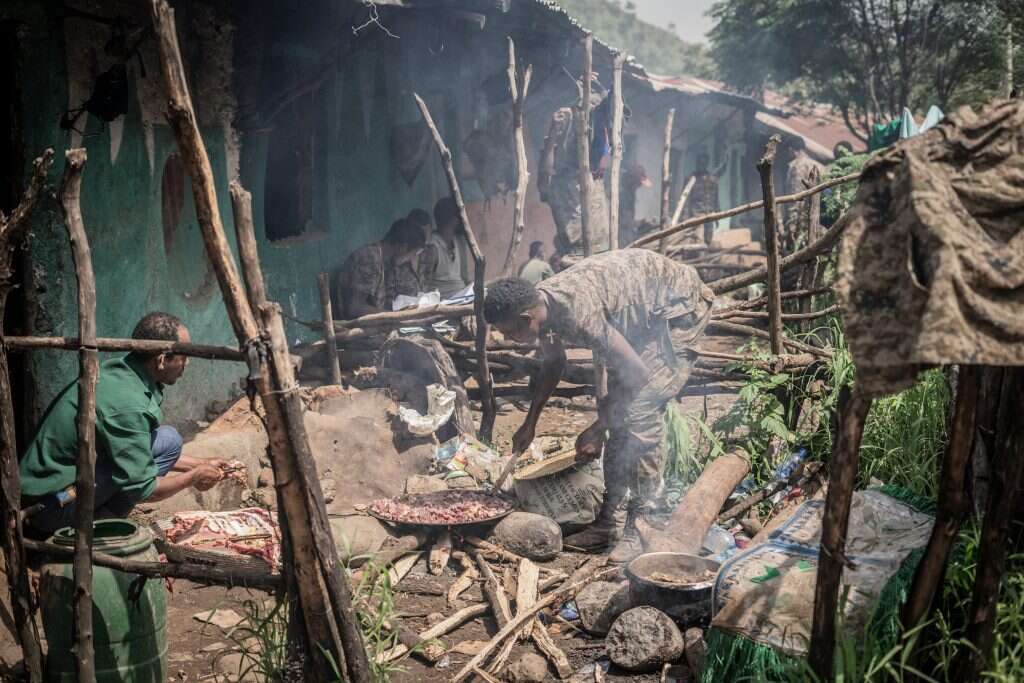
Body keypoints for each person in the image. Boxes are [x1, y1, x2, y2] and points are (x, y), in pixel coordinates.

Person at [483, 249, 715, 563]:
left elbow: (639, 373)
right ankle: (610, 523)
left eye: (510, 332)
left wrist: (597, 427)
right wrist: (531, 422)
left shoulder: (577, 312)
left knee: (640, 409)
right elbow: (554, 363)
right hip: (647, 317)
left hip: (678, 309)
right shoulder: (543, 309)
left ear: (526, 319)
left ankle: (645, 528)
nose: (508, 339)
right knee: (620, 410)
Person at [20, 313, 226, 538]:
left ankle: (97, 521)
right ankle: (96, 530)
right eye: (185, 356)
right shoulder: (129, 406)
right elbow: (145, 489)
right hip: (51, 505)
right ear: (161, 359)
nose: (188, 363)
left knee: (168, 440)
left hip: (64, 486)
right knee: (149, 461)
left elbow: (135, 451)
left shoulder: (123, 373)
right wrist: (194, 477)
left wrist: (201, 463)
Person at [537, 82, 611, 263]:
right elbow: (545, 180)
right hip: (576, 259)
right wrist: (553, 134)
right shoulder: (559, 185)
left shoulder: (595, 181)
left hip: (601, 254)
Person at [337, 217, 426, 319]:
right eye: (412, 254)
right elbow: (354, 309)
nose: (410, 260)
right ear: (402, 247)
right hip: (357, 329)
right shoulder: (368, 258)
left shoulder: (383, 260)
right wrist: (396, 316)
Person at [419, 197, 472, 299]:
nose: (463, 219)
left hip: (463, 298)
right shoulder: (432, 247)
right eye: (459, 216)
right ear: (452, 219)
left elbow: (465, 278)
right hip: (444, 304)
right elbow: (423, 286)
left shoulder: (459, 241)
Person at [683, 153, 723, 246]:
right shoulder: (691, 179)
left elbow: (716, 198)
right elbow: (685, 199)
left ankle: (705, 257)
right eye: (699, 163)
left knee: (708, 238)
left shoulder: (712, 180)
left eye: (704, 163)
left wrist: (717, 215)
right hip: (696, 214)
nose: (701, 165)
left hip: (709, 214)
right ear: (697, 163)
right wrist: (685, 217)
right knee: (698, 239)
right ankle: (699, 257)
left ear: (706, 164)